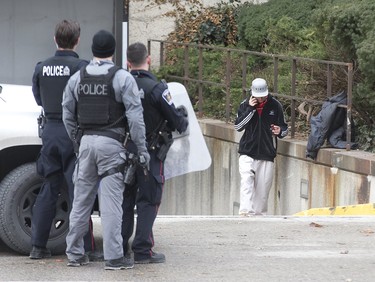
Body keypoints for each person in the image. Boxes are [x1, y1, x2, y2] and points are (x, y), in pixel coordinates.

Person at [62, 30, 150, 270]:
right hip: (112, 147)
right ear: (114, 51)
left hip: (86, 144)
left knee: (81, 202)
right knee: (111, 205)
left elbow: (67, 114)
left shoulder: (77, 78)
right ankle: (114, 258)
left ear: (92, 50)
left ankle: (75, 254)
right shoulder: (122, 78)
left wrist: (77, 141)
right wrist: (142, 150)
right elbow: (135, 118)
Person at [30, 19, 97, 260]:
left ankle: (37, 246)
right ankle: (86, 247)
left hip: (49, 131)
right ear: (77, 40)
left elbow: (38, 99)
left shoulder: (41, 67)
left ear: (55, 39)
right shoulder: (83, 67)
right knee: (80, 190)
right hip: (74, 133)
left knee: (49, 187)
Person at [122, 42, 188, 264]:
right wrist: (183, 117)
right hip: (150, 153)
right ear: (148, 59)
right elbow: (177, 122)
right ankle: (142, 250)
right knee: (148, 201)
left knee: (124, 200)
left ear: (127, 63)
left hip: (124, 151)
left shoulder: (120, 84)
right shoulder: (157, 89)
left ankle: (120, 247)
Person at [234, 78, 288, 216]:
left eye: (263, 96)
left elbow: (284, 128)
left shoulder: (275, 106)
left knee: (262, 191)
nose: (260, 99)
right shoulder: (244, 105)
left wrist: (279, 131)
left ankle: (259, 217)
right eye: (258, 96)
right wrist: (250, 109)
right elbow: (238, 126)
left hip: (267, 153)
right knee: (246, 180)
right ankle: (245, 212)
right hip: (247, 151)